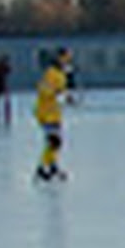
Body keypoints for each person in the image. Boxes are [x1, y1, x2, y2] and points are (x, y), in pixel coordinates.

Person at [32, 47, 74, 181]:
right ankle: (42, 168)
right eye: (66, 58)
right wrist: (59, 95)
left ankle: (52, 166)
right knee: (54, 141)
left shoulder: (61, 74)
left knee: (55, 142)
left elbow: (59, 91)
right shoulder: (52, 73)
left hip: (54, 112)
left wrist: (66, 97)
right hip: (46, 112)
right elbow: (45, 89)